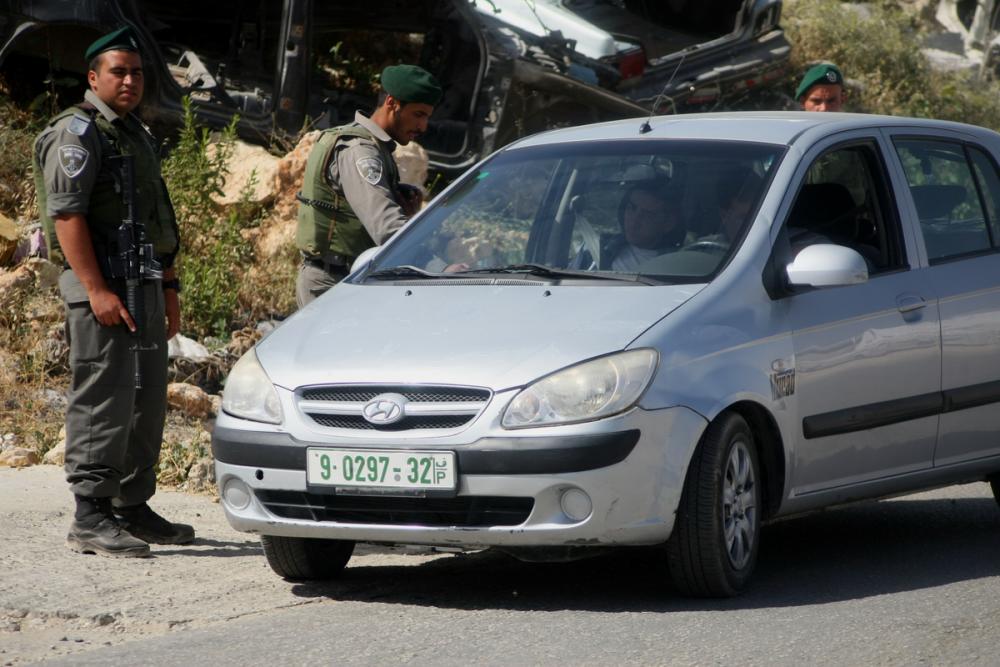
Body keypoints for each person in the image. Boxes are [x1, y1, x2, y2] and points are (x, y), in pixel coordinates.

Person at [33, 26, 193, 558]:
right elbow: (67, 216)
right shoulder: (77, 132)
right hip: (101, 284)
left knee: (145, 398)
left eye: (137, 73)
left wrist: (168, 287)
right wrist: (96, 289)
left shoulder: (132, 133)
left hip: (142, 281)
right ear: (93, 77)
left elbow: (157, 219)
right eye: (118, 72)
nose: (129, 81)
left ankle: (131, 505)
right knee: (103, 397)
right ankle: (90, 514)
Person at [295, 64, 443, 306]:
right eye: (418, 115)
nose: (423, 126)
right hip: (332, 285)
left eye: (427, 117)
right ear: (392, 103)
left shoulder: (376, 146)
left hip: (348, 280)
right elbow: (388, 229)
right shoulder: (360, 151)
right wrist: (439, 267)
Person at [574, 180, 685, 272]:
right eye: (632, 208)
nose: (635, 220)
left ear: (668, 224)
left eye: (647, 214)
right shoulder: (595, 249)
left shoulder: (680, 266)